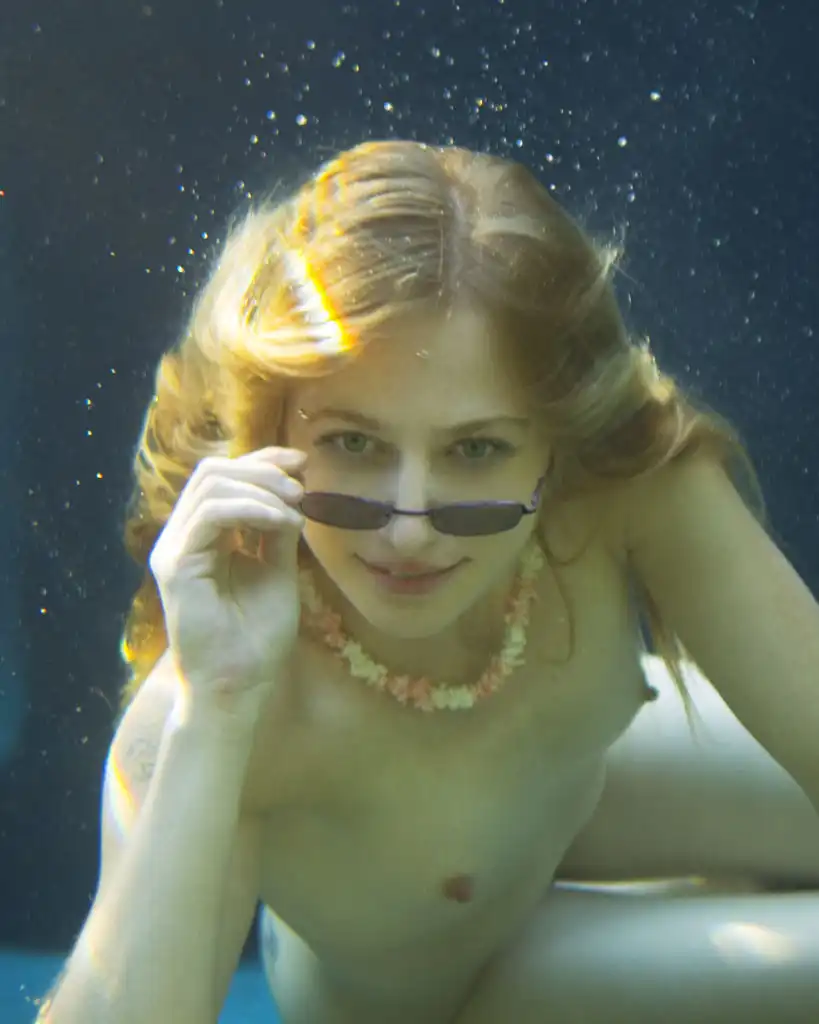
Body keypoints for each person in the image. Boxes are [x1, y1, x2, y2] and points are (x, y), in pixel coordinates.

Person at [40, 140, 819, 1024]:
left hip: (578, 795)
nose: (409, 528)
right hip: (450, 997)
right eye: (354, 442)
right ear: (268, 427)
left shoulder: (623, 485)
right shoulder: (220, 700)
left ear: (561, 439)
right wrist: (215, 704)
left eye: (475, 448)